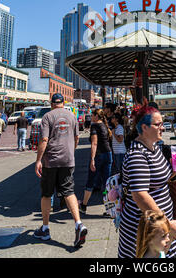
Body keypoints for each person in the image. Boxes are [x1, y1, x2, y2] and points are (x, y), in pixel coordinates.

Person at [118, 101, 176, 258]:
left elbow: (157, 181)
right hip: (145, 228)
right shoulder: (137, 155)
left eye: (162, 123)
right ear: (144, 128)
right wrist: (167, 224)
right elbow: (140, 195)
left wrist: (174, 171)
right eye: (158, 124)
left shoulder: (155, 148)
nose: (163, 127)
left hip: (161, 227)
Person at [34, 93, 87, 248]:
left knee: (46, 194)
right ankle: (78, 224)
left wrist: (38, 160)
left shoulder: (47, 117)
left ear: (52, 104)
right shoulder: (71, 116)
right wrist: (71, 152)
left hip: (51, 162)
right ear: (63, 103)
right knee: (69, 191)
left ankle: (45, 229)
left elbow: (44, 140)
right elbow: (76, 138)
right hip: (68, 160)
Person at [79, 108, 113, 215]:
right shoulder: (104, 125)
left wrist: (92, 159)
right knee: (106, 183)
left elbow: (94, 143)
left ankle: (84, 205)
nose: (91, 117)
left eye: (92, 115)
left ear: (96, 116)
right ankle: (109, 209)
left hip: (99, 155)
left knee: (91, 180)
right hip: (108, 154)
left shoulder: (94, 126)